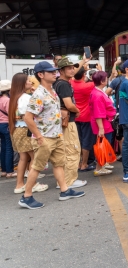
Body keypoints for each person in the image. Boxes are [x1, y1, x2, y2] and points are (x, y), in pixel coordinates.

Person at [20, 61, 85, 209]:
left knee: (59, 164)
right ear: (41, 75)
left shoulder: (52, 91)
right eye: (50, 72)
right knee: (37, 166)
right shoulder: (39, 94)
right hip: (45, 137)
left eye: (54, 71)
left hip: (56, 135)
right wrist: (39, 136)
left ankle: (64, 190)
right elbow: (28, 118)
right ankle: (26, 196)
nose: (54, 73)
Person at [8, 73, 48, 193]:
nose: (31, 83)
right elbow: (31, 114)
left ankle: (19, 185)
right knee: (34, 158)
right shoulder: (25, 97)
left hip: (17, 130)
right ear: (22, 83)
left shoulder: (15, 97)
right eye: (28, 81)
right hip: (26, 130)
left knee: (23, 158)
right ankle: (33, 184)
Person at [54, 58, 88, 188]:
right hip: (68, 121)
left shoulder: (58, 83)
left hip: (61, 122)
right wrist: (77, 110)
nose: (72, 70)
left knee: (64, 151)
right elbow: (68, 104)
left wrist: (84, 60)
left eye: (73, 67)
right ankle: (69, 181)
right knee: (72, 150)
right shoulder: (64, 85)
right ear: (61, 70)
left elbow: (74, 69)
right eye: (69, 68)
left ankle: (63, 180)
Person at [71, 64, 100, 172]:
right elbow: (99, 81)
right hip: (86, 116)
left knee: (78, 141)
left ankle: (78, 163)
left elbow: (73, 76)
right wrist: (99, 70)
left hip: (75, 116)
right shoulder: (87, 86)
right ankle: (84, 164)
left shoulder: (71, 83)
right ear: (84, 75)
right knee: (87, 141)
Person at [89, 71, 116, 177]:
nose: (107, 79)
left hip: (104, 122)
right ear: (102, 81)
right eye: (106, 78)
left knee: (104, 144)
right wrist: (101, 128)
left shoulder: (98, 91)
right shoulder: (97, 94)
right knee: (102, 144)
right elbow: (98, 113)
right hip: (102, 123)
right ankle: (99, 167)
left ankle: (102, 164)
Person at [0, 80, 15, 178]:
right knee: (9, 148)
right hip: (6, 124)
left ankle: (4, 170)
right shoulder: (8, 100)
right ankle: (10, 171)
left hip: (0, 124)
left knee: (3, 147)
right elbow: (11, 114)